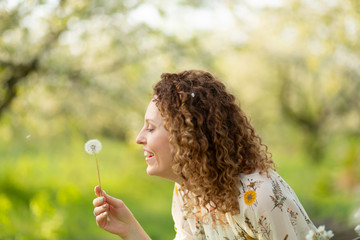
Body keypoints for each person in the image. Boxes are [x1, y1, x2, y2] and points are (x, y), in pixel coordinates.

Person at [92, 70, 317, 240]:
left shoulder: (259, 198)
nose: (139, 138)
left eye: (150, 128)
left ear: (187, 135)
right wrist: (130, 229)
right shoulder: (188, 191)